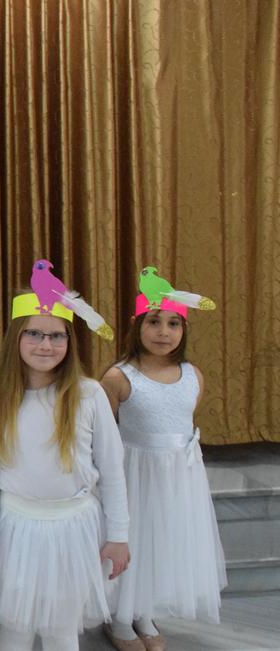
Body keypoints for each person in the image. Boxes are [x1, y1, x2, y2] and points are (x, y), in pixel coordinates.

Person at [0, 273, 130, 651]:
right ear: (16, 338)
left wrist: (119, 536)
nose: (45, 344)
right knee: (16, 627)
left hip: (73, 528)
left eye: (56, 336)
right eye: (34, 334)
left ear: (69, 341)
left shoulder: (88, 395)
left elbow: (112, 470)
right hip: (15, 528)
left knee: (61, 629)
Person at [100, 271, 224, 651]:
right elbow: (103, 433)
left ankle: (144, 611)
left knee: (162, 544)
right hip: (135, 475)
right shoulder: (118, 377)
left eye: (173, 324)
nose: (163, 332)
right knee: (134, 542)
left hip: (179, 477)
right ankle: (120, 616)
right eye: (153, 322)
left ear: (184, 330)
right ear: (136, 325)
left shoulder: (193, 375)